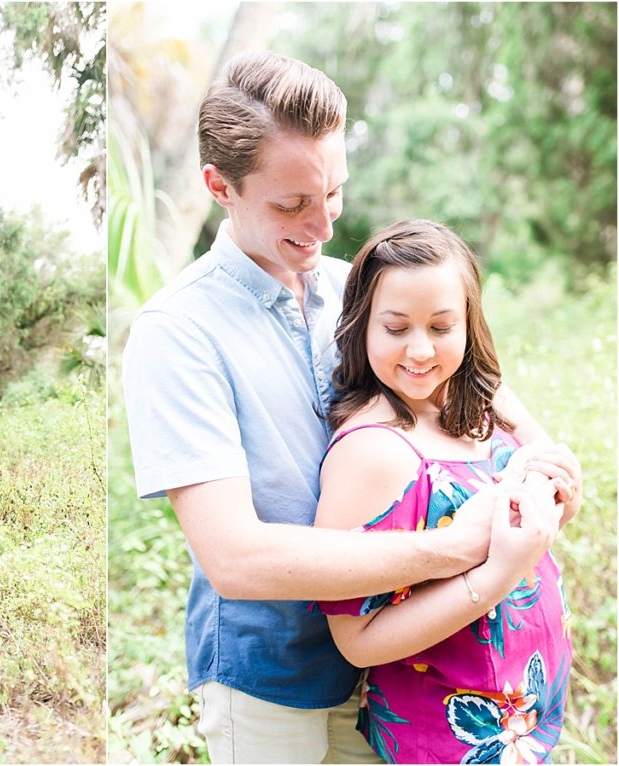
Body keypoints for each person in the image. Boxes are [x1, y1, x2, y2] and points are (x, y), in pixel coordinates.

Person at [121, 51, 581, 763]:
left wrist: (537, 449)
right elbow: (235, 559)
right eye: (292, 204)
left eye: (333, 192)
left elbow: (464, 370)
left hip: (391, 665)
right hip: (271, 683)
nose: (325, 223)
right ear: (220, 186)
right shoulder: (178, 333)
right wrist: (457, 549)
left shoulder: (348, 287)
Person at [315, 220, 573, 764]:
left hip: (528, 721)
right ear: (363, 326)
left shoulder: (480, 402)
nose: (419, 349)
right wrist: (495, 575)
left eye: (440, 326)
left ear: (468, 324)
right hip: (445, 736)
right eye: (396, 327)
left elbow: (554, 485)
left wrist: (560, 490)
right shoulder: (372, 450)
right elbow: (356, 637)